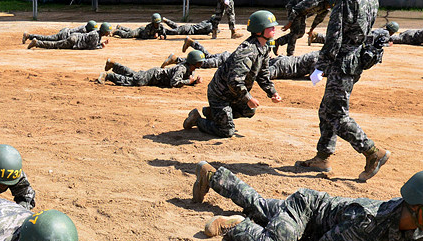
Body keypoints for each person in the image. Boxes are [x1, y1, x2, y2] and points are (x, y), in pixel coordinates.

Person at [192, 162, 423, 241]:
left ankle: (214, 176)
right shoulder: (368, 222)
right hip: (307, 211)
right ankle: (238, 226)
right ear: (414, 205)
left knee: (261, 207)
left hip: (315, 215)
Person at [295, 0, 389, 182]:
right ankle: (322, 157)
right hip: (355, 60)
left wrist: (320, 67)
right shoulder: (371, 1)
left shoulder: (346, 2)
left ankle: (372, 152)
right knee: (326, 109)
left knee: (337, 114)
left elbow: (334, 36)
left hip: (342, 63)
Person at [182, 10, 281, 138]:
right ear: (259, 30)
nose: (274, 28)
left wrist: (272, 92)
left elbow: (263, 75)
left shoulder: (264, 48)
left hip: (234, 93)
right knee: (226, 131)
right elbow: (234, 81)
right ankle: (197, 119)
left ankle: (213, 113)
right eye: (270, 27)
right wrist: (248, 98)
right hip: (220, 94)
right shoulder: (247, 52)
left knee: (249, 110)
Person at [163, 39, 319, 80]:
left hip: (283, 62)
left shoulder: (318, 54)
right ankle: (178, 59)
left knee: (212, 59)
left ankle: (191, 45)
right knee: (209, 62)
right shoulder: (320, 57)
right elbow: (314, 74)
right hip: (283, 67)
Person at [98, 50, 204, 88]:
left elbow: (186, 80)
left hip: (155, 76)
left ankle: (113, 64)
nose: (200, 64)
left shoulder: (190, 68)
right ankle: (108, 76)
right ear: (193, 62)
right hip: (154, 76)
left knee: (134, 75)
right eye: (199, 63)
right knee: (136, 81)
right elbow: (174, 83)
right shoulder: (182, 68)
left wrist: (194, 82)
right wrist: (189, 81)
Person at [27, 22, 110, 50]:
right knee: (55, 45)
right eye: (108, 32)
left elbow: (92, 43)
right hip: (72, 39)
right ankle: (37, 43)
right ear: (104, 31)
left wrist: (100, 43)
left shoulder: (96, 34)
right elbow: (91, 47)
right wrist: (101, 46)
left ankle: (35, 40)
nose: (108, 33)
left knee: (54, 42)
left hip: (74, 37)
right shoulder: (95, 35)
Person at [309, 21, 398, 45]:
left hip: (363, 36)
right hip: (364, 40)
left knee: (340, 41)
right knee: (339, 43)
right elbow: (380, 44)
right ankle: (317, 36)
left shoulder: (382, 30)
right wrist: (388, 44)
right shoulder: (386, 34)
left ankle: (317, 37)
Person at [22, 20, 97, 44]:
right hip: (64, 35)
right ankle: (29, 36)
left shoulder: (85, 27)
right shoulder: (84, 30)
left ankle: (30, 37)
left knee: (48, 38)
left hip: (65, 32)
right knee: (48, 38)